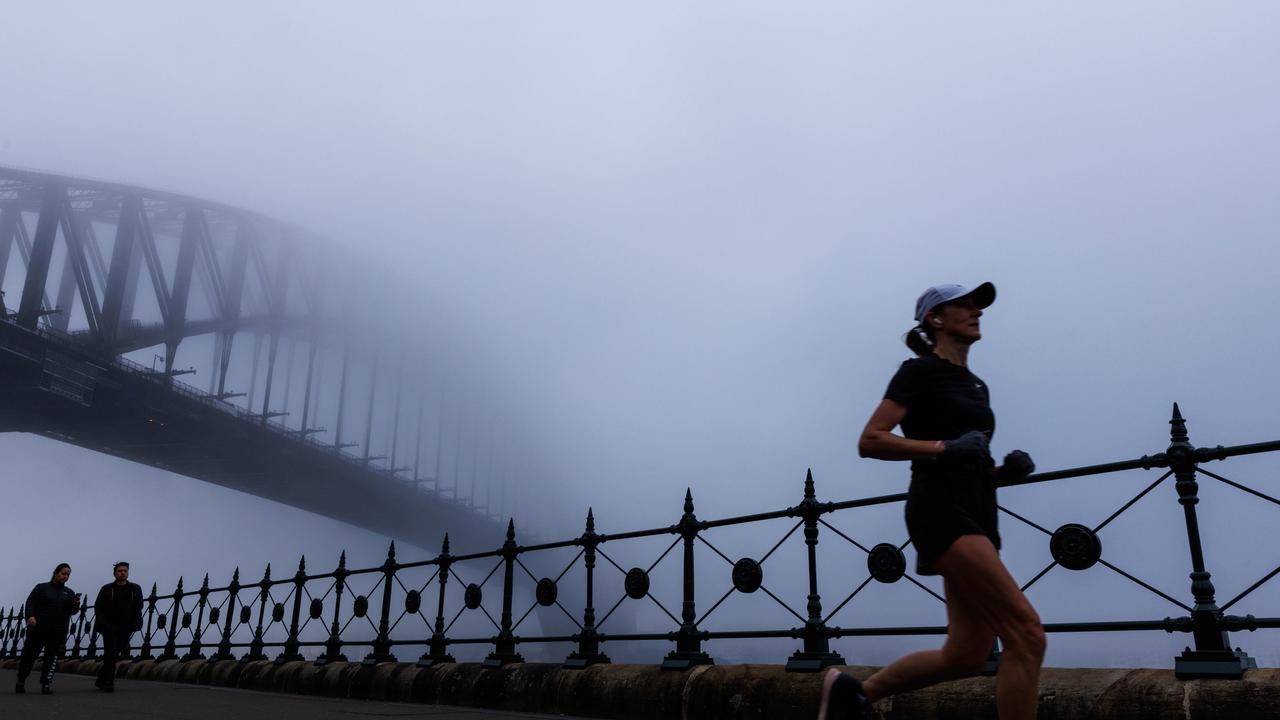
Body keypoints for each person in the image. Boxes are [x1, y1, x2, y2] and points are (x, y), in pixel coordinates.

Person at [818, 282, 1045, 720]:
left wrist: (1002, 474)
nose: (975, 310)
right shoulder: (918, 371)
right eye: (963, 304)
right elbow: (871, 439)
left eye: (978, 305)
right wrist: (944, 448)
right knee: (1027, 634)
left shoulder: (976, 384)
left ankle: (853, 695)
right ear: (934, 319)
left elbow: (968, 458)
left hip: (979, 511)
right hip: (940, 509)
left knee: (966, 654)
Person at [16, 563, 81, 695]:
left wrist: (75, 605)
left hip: (58, 631)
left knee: (51, 658)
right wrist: (30, 616)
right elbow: (30, 603)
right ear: (56, 573)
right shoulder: (41, 588)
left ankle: (46, 684)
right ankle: (21, 681)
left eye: (68, 574)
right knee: (29, 656)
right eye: (63, 573)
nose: (66, 576)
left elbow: (72, 611)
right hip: (38, 629)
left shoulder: (69, 593)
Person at [93, 561, 144, 692]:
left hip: (126, 626)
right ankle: (109, 682)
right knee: (110, 653)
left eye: (125, 571)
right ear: (115, 573)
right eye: (120, 571)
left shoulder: (135, 588)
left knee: (116, 653)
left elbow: (138, 607)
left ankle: (101, 679)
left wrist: (137, 623)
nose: (123, 573)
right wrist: (103, 624)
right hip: (109, 626)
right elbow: (98, 607)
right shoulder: (107, 589)